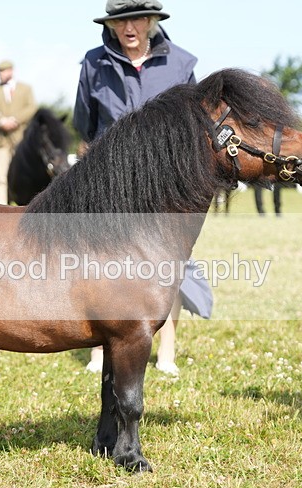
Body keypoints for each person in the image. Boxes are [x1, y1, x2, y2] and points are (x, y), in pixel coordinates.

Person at [75, 0, 209, 375]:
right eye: (120, 21)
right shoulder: (93, 62)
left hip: (163, 180)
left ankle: (166, 351)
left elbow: (195, 126)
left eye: (136, 19)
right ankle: (100, 349)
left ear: (151, 21)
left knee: (168, 267)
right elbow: (85, 122)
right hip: (108, 180)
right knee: (101, 266)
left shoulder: (182, 64)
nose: (128, 28)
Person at [0, 60, 37, 205]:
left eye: (3, 71)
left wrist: (16, 120)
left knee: (24, 175)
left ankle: (26, 207)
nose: (0, 74)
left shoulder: (26, 89)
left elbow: (31, 107)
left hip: (21, 139)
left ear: (11, 71)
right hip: (0, 140)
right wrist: (1, 121)